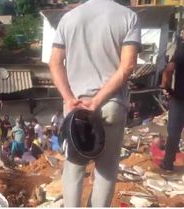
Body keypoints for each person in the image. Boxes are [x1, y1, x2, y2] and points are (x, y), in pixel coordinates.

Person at [49, 0, 141, 206]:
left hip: (76, 107)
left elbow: (54, 62)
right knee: (106, 169)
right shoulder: (128, 17)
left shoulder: (69, 18)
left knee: (73, 169)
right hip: (111, 104)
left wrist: (68, 98)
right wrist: (98, 100)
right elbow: (128, 66)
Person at [160, 25, 184, 171]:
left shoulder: (180, 50)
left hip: (180, 98)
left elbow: (168, 70)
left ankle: (168, 162)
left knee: (174, 131)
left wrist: (166, 87)